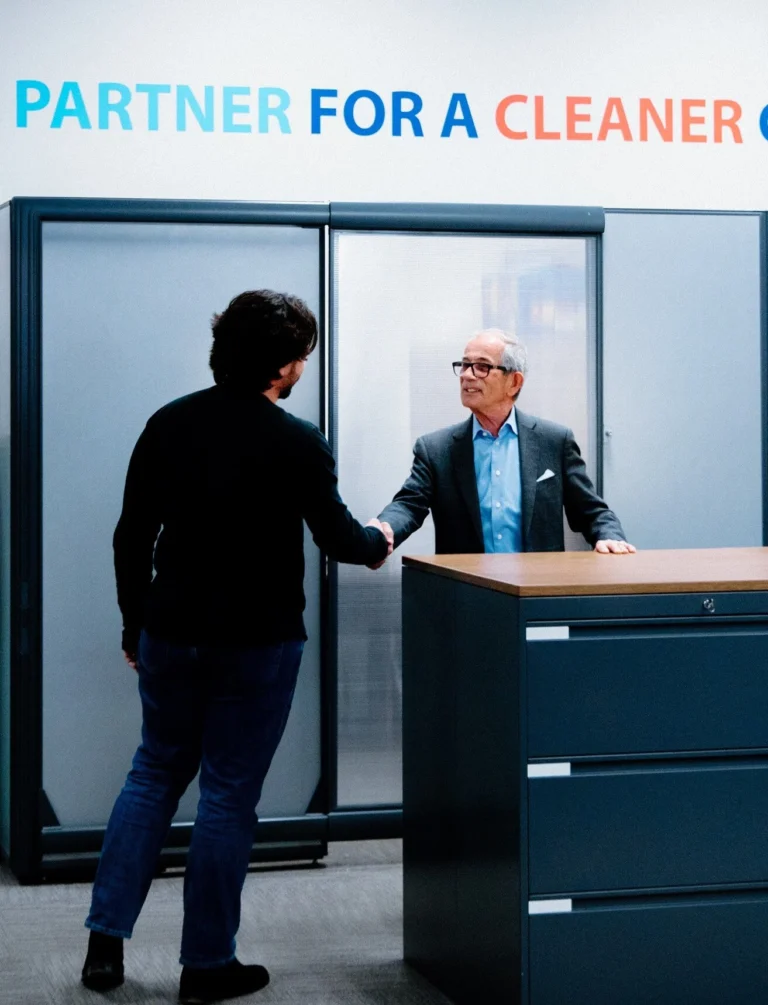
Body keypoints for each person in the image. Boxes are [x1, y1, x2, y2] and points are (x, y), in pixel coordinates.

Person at [81, 289, 392, 1003]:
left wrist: (134, 626)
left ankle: (104, 946)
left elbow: (132, 537)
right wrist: (380, 539)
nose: (302, 368)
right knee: (227, 795)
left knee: (152, 774)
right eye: (301, 357)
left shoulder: (168, 423)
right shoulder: (297, 439)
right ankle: (206, 965)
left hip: (170, 632)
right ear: (282, 365)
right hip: (257, 644)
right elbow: (341, 539)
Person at [375, 328, 633, 558]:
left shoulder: (554, 441)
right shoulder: (436, 449)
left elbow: (591, 511)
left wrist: (609, 537)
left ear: (514, 382)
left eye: (482, 367)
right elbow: (408, 506)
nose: (467, 375)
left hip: (536, 589)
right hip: (466, 589)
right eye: (464, 365)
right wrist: (381, 533)